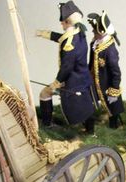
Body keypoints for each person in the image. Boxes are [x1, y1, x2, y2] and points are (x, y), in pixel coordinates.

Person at [36, 1, 95, 134]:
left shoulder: (70, 44)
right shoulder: (79, 31)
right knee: (85, 105)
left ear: (68, 22)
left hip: (71, 81)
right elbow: (63, 37)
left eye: (63, 21)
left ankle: (47, 124)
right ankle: (91, 131)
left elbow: (66, 67)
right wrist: (46, 34)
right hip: (82, 77)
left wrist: (56, 83)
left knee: (45, 93)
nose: (61, 23)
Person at [87, 11, 124, 129]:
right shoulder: (95, 43)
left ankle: (114, 126)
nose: (93, 31)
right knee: (89, 102)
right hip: (93, 79)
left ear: (102, 32)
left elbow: (116, 72)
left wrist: (114, 90)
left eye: (95, 30)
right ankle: (89, 127)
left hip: (106, 83)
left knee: (113, 106)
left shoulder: (110, 50)